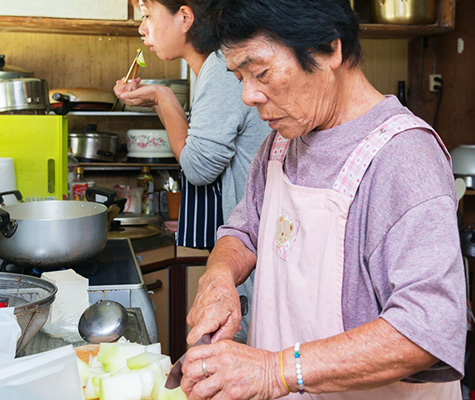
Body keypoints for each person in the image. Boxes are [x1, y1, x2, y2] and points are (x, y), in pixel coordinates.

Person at [181, 0, 467, 399]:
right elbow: (244, 231)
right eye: (239, 77)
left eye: (261, 72)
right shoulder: (279, 144)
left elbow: (427, 327)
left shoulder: (403, 157)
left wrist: (273, 371)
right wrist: (219, 277)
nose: (249, 95)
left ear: (330, 48)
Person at [113, 0, 269, 342]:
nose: (142, 29)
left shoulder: (220, 70)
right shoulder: (210, 70)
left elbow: (199, 167)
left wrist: (162, 99)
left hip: (257, 240)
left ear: (184, 17)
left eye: (147, 16)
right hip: (251, 237)